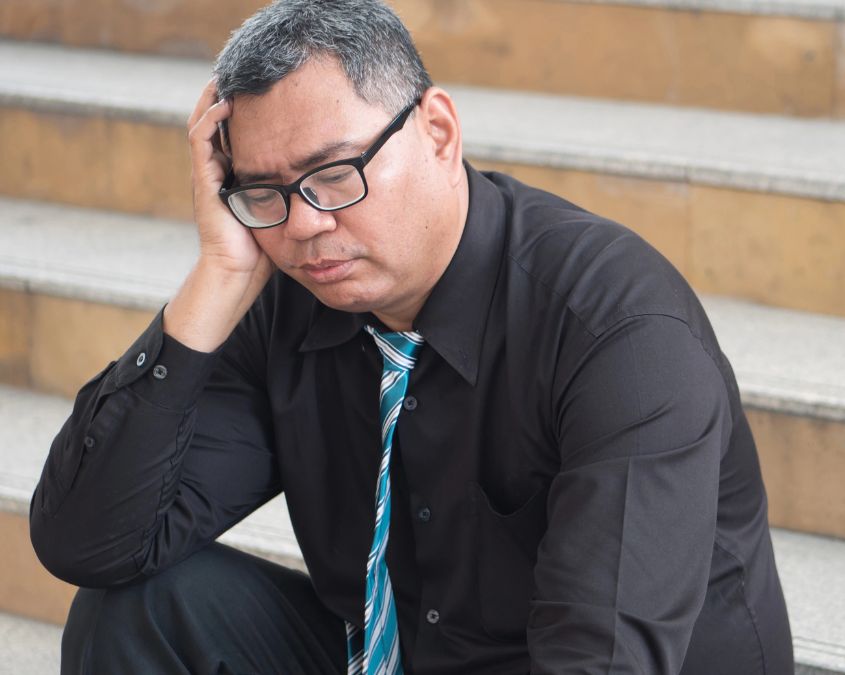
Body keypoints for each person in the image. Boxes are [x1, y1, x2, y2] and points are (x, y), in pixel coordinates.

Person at [29, 0, 792, 672]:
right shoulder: (292, 297)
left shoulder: (617, 331)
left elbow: (600, 661)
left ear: (437, 131)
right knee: (140, 612)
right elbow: (90, 541)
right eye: (262, 192)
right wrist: (217, 280)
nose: (304, 225)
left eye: (334, 173)